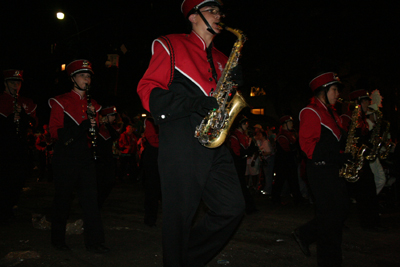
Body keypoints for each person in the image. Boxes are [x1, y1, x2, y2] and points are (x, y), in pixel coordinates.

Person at [137, 1, 245, 265]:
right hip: (181, 139)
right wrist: (192, 103)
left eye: (221, 11)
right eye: (212, 11)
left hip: (214, 140)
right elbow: (148, 90)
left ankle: (186, 259)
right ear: (194, 17)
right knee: (179, 217)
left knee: (232, 208)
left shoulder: (221, 57)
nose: (220, 15)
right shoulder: (170, 44)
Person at [48, 59, 109, 253]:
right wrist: (82, 126)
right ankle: (57, 239)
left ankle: (95, 242)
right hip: (65, 157)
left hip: (84, 156)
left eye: (89, 75)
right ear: (73, 78)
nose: (87, 79)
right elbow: (54, 132)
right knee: (63, 200)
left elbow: (94, 133)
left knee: (91, 201)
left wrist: (93, 124)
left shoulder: (95, 105)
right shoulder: (61, 101)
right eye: (83, 75)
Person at [293, 72, 349, 267]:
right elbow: (308, 148)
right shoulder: (310, 111)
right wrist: (339, 156)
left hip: (334, 170)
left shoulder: (332, 113)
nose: (337, 94)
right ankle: (329, 261)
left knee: (338, 214)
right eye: (334, 90)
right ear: (323, 91)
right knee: (329, 219)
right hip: (320, 171)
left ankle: (306, 234)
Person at [0, 69, 37, 224]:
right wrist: (9, 119)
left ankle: (9, 206)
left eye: (18, 82)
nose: (16, 85)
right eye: (12, 82)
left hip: (20, 146)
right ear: (5, 83)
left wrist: (23, 117)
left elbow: (33, 124)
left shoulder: (26, 102)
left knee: (18, 179)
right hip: (3, 146)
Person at [346, 89, 383, 231]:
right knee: (359, 194)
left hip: (362, 159)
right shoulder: (350, 118)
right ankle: (368, 223)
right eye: (365, 101)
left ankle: (373, 222)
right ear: (358, 103)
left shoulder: (362, 119)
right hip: (354, 160)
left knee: (369, 190)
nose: (368, 103)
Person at [271, 115, 303, 204]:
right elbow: (288, 150)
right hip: (283, 163)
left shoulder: (290, 134)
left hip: (288, 162)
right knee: (280, 181)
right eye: (290, 122)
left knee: (292, 181)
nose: (292, 124)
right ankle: (276, 198)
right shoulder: (282, 136)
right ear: (285, 124)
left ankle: (297, 198)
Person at [230, 117, 258, 214]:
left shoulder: (242, 135)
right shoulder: (234, 136)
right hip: (237, 164)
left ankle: (244, 206)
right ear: (239, 124)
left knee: (240, 185)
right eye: (245, 123)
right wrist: (247, 151)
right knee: (241, 185)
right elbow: (237, 152)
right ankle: (248, 207)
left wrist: (252, 148)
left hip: (242, 164)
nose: (247, 125)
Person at [97, 106, 119, 208]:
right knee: (100, 183)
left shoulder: (110, 128)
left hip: (108, 159)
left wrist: (107, 124)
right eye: (112, 116)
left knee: (109, 182)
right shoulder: (97, 127)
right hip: (99, 160)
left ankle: (98, 202)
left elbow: (115, 136)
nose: (114, 118)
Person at [141, 117, 162, 227]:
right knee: (152, 188)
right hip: (154, 154)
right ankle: (150, 218)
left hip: (163, 152)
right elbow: (153, 140)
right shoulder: (151, 119)